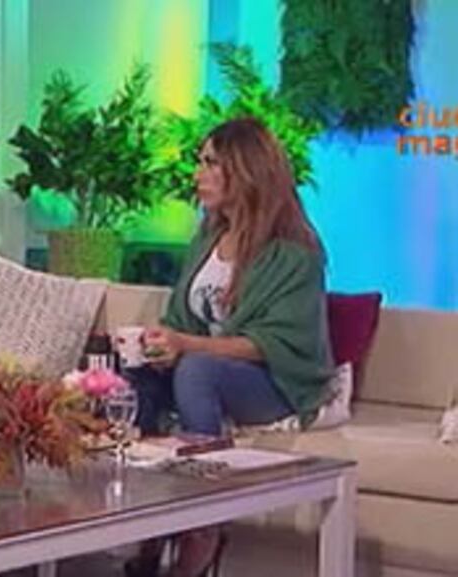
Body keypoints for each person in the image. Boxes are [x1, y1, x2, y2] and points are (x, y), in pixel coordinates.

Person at [125, 118, 333, 577]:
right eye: (200, 162)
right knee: (135, 376)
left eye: (210, 163)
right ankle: (144, 523)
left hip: (273, 382)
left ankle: (205, 526)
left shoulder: (295, 253)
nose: (197, 174)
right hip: (203, 366)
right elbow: (182, 317)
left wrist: (187, 346)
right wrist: (159, 344)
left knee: (198, 370)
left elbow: (272, 343)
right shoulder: (207, 238)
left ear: (246, 171)